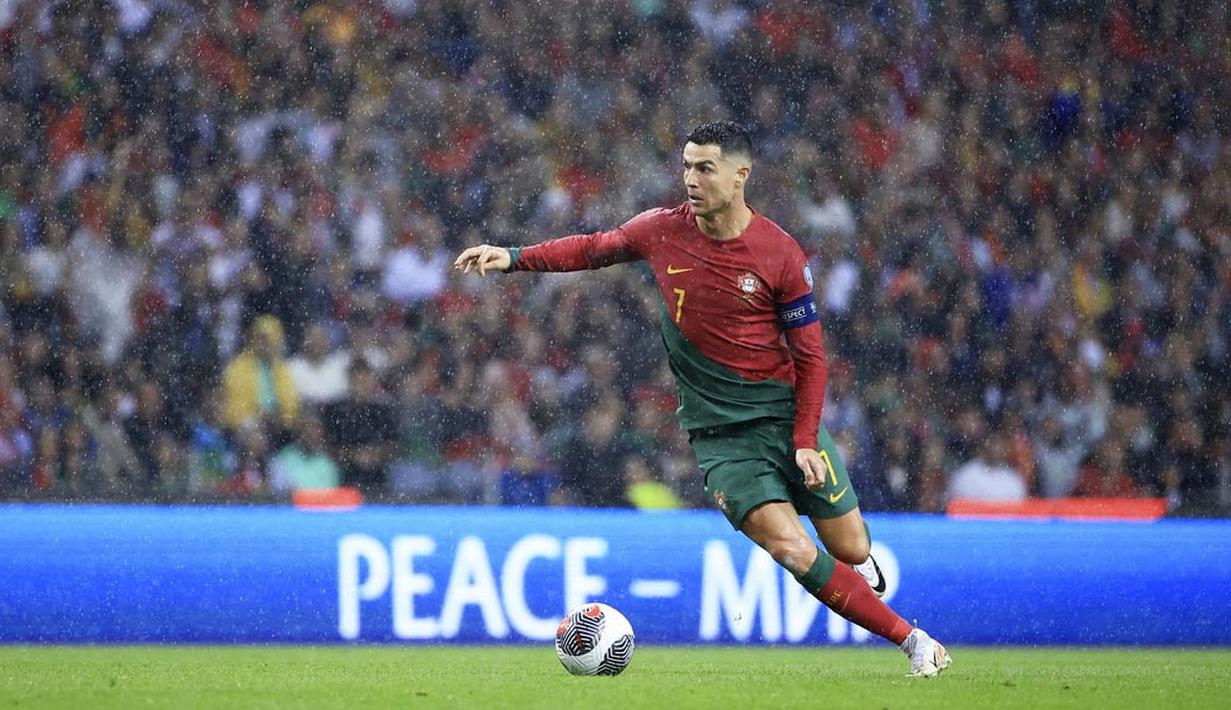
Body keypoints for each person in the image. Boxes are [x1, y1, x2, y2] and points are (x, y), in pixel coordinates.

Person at [455, 121, 950, 677]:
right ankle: (914, 642)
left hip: (785, 419)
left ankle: (857, 567)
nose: (691, 178)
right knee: (791, 549)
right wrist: (513, 255)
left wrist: (806, 440)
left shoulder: (780, 253)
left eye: (705, 167)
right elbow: (594, 248)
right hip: (721, 440)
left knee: (852, 548)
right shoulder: (660, 230)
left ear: (741, 175)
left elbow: (811, 357)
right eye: (687, 165)